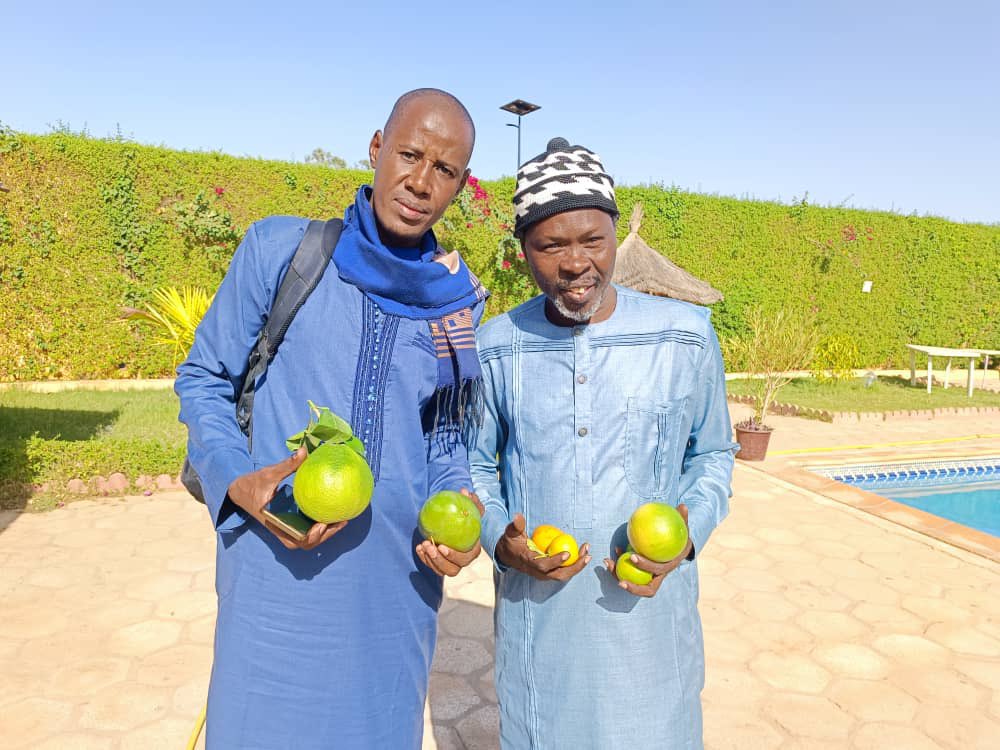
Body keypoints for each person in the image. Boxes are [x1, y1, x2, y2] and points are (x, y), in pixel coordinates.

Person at [175, 89, 487, 749]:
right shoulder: (283, 252)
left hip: (393, 590)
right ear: (377, 149)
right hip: (272, 569)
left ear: (460, 186)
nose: (421, 181)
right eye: (409, 155)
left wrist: (458, 509)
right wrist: (236, 479)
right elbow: (204, 378)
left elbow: (448, 438)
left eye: (445, 170)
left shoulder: (457, 308)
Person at [470, 137, 737, 749]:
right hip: (542, 633)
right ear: (523, 252)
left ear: (616, 235)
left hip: (651, 632)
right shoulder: (496, 348)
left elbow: (713, 453)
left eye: (593, 240)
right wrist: (501, 544)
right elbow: (476, 466)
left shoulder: (686, 337)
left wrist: (688, 532)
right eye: (551, 245)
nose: (575, 263)